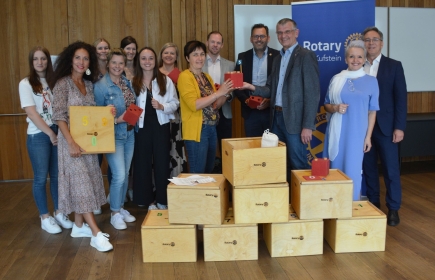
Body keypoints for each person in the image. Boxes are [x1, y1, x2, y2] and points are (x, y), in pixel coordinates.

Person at [51, 41, 113, 252]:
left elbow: (92, 115)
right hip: (70, 144)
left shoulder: (88, 84)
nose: (81, 61)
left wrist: (108, 113)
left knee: (85, 182)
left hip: (87, 143)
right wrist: (70, 143)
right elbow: (59, 116)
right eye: (78, 57)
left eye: (85, 58)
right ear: (70, 59)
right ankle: (96, 233)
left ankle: (78, 226)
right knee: (82, 184)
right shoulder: (62, 84)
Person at [240, 18, 320, 181]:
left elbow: (312, 93)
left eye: (287, 32)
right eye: (280, 33)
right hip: (276, 119)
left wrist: (307, 125)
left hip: (295, 122)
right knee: (279, 164)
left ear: (296, 33)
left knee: (299, 164)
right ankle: (287, 202)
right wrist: (251, 87)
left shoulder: (305, 56)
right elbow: (270, 89)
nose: (283, 36)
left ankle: (304, 204)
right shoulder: (278, 59)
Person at [18, 46, 73, 234]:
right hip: (39, 135)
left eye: (43, 59)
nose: (40, 62)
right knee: (41, 178)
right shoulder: (26, 83)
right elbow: (32, 113)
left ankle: (59, 212)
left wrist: (57, 131)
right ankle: (45, 216)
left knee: (57, 176)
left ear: (48, 61)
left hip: (57, 130)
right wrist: (50, 133)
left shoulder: (54, 81)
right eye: (36, 59)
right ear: (31, 62)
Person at [322, 40, 379, 201]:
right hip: (336, 134)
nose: (356, 60)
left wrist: (368, 137)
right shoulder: (336, 79)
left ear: (364, 58)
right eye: (352, 56)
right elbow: (327, 105)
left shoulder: (372, 81)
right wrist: (335, 108)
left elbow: (372, 112)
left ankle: (350, 210)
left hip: (357, 135)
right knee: (334, 171)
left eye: (360, 57)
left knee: (352, 172)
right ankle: (331, 208)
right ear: (346, 59)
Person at [362, 26, 407, 226]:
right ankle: (374, 204)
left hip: (388, 128)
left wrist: (400, 127)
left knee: (391, 170)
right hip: (363, 128)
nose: (370, 43)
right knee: (369, 168)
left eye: (374, 39)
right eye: (367, 40)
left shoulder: (394, 66)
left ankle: (393, 209)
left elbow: (401, 99)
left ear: (381, 43)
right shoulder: (356, 65)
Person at [132, 47, 179, 210]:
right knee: (142, 163)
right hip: (141, 127)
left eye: (150, 58)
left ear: (155, 60)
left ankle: (162, 200)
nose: (147, 62)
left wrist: (162, 106)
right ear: (139, 61)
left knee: (161, 163)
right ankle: (145, 200)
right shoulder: (133, 81)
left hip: (161, 126)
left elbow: (175, 103)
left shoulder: (165, 80)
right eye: (144, 58)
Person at [94, 48, 136, 230]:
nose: (118, 66)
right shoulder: (101, 87)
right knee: (118, 175)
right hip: (113, 136)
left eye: (121, 63)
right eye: (114, 62)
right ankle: (114, 213)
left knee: (125, 174)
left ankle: (121, 207)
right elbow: (96, 117)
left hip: (129, 134)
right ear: (108, 63)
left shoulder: (126, 82)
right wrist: (118, 119)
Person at [177, 40, 234, 173]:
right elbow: (194, 104)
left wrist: (227, 92)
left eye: (202, 54)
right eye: (195, 54)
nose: (199, 58)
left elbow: (214, 105)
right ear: (187, 58)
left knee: (209, 170)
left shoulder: (206, 76)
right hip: (198, 130)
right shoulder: (185, 76)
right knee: (198, 173)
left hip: (212, 128)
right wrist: (218, 93)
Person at [234, 23, 280, 137]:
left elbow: (281, 85)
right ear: (251, 39)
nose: (259, 39)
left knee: (271, 149)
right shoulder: (242, 57)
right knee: (252, 148)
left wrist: (269, 101)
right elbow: (236, 84)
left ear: (268, 38)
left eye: (262, 36)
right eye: (256, 36)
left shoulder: (278, 56)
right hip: (250, 113)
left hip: (271, 112)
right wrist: (246, 101)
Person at [202, 31, 235, 172]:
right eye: (212, 42)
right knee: (206, 149)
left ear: (222, 45)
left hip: (224, 112)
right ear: (207, 43)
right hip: (203, 113)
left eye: (218, 42)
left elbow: (233, 88)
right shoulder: (199, 63)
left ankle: (226, 179)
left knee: (225, 150)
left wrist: (223, 99)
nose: (215, 45)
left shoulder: (230, 65)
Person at [158, 43, 188, 177]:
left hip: (176, 117)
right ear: (161, 55)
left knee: (174, 147)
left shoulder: (182, 75)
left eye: (172, 53)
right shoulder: (154, 73)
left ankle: (176, 179)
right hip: (158, 116)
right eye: (166, 52)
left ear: (176, 57)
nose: (169, 55)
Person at [93, 37, 111, 216]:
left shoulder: (113, 66)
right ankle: (96, 199)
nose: (104, 51)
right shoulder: (90, 69)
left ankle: (113, 195)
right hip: (95, 120)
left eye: (106, 48)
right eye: (100, 48)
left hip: (112, 120)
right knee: (96, 162)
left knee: (113, 163)